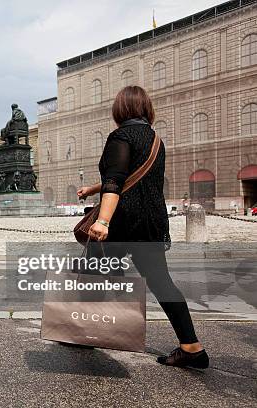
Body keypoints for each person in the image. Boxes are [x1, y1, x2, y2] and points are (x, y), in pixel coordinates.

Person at [77, 86, 209, 369]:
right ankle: (192, 347)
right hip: (151, 222)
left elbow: (115, 181)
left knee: (91, 271)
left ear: (120, 109)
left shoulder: (121, 136)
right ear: (146, 108)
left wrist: (102, 221)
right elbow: (131, 177)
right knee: (161, 281)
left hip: (123, 221)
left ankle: (82, 331)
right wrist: (93, 188)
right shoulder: (155, 140)